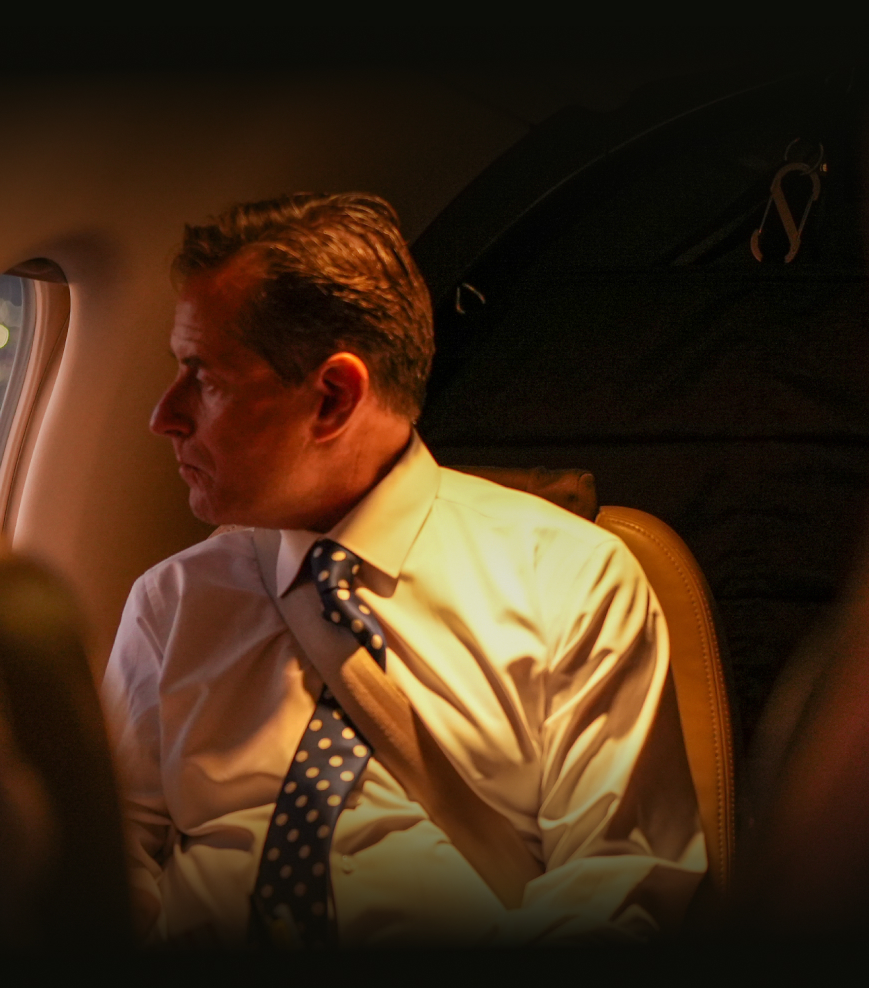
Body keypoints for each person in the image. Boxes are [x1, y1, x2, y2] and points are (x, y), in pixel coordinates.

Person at [102, 193, 705, 948]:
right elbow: (103, 872)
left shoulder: (570, 582)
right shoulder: (172, 601)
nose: (164, 415)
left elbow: (621, 887)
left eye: (206, 377)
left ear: (333, 398)